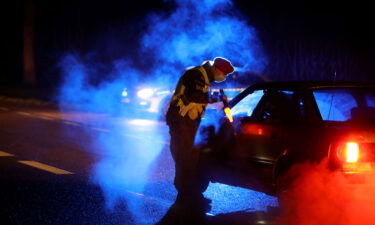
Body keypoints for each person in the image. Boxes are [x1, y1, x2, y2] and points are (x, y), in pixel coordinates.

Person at [165, 57, 234, 212]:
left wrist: (216, 99)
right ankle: (184, 197)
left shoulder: (203, 77)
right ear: (217, 70)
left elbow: (200, 97)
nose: (223, 78)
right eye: (224, 74)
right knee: (185, 156)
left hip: (188, 122)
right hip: (181, 121)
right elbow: (193, 100)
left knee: (192, 155)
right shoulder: (197, 75)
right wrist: (214, 105)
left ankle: (188, 192)